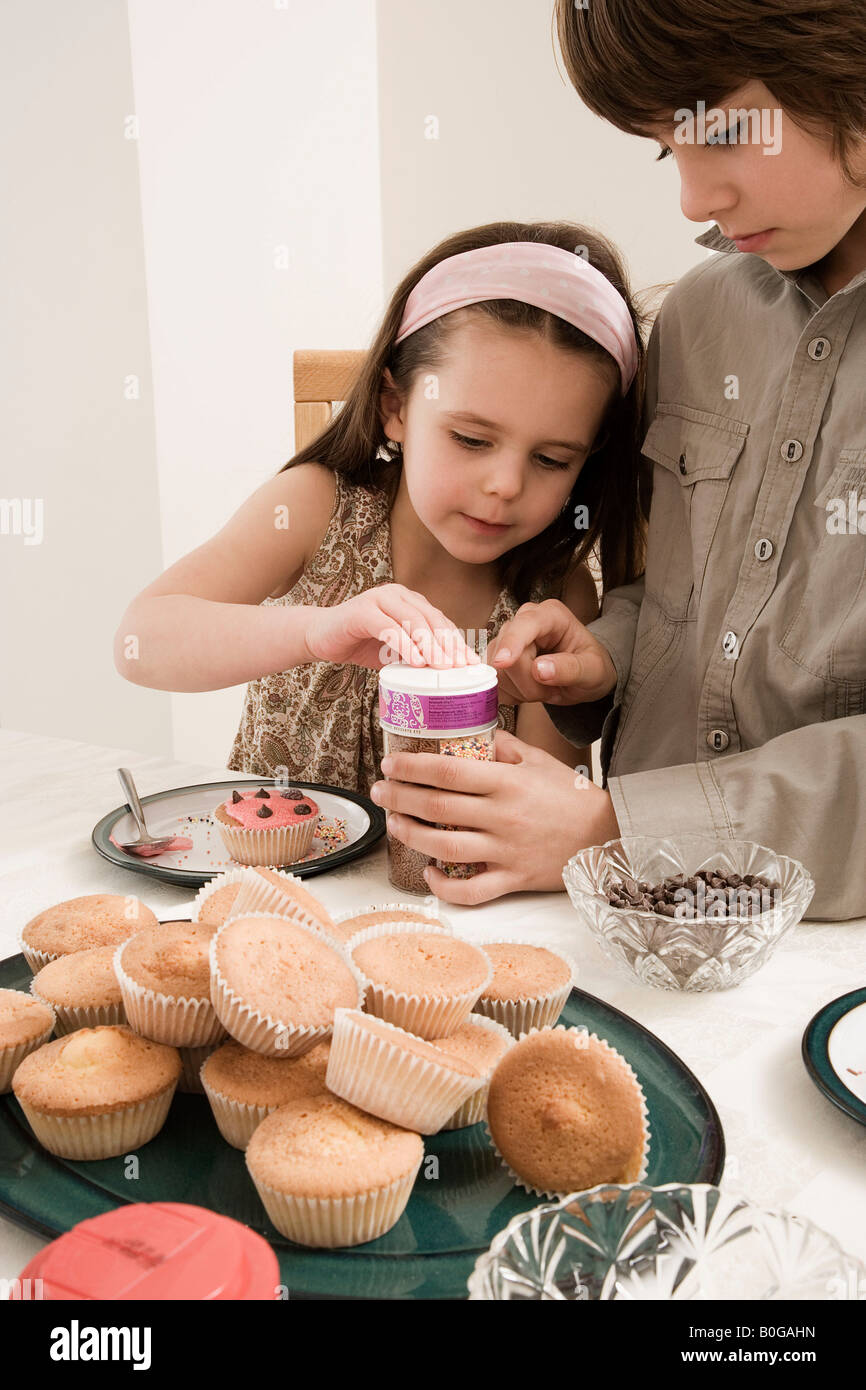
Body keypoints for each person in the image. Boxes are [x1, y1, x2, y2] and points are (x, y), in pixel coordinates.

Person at [371, 0, 866, 919]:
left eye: (722, 132)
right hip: (603, 908)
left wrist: (617, 831)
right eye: (666, 149)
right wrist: (605, 653)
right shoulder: (698, 319)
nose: (693, 199)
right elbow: (689, 592)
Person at [114, 221, 647, 798]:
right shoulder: (315, 507)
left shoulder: (553, 598)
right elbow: (140, 642)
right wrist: (319, 630)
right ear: (395, 407)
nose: (504, 485)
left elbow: (541, 807)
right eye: (470, 439)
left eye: (549, 459)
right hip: (274, 873)